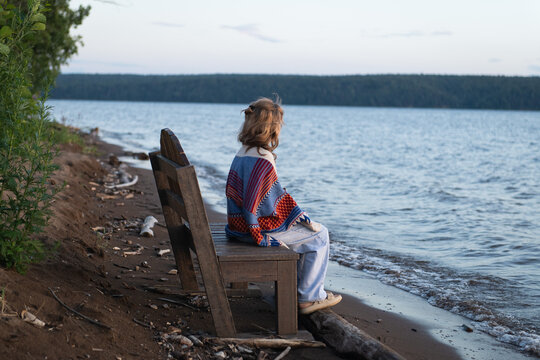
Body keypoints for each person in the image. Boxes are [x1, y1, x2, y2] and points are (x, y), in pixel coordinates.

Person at [225, 97, 342, 315]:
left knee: (304, 230)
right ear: (272, 129)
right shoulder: (263, 159)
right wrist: (299, 216)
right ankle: (308, 297)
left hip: (236, 227)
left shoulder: (241, 153)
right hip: (252, 231)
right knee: (320, 236)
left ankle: (298, 291)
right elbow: (267, 206)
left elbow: (258, 198)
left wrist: (295, 214)